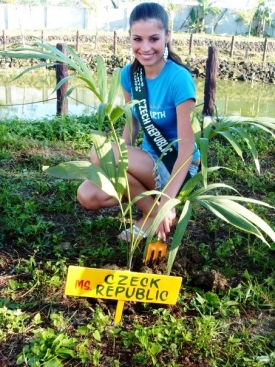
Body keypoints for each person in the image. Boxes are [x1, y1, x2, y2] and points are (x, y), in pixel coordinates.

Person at [77, 2, 200, 242]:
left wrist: (168, 200)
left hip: (176, 166)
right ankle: (154, 213)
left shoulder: (179, 79)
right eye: (137, 39)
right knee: (87, 193)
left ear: (167, 36)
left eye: (153, 39)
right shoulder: (129, 75)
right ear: (130, 39)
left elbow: (186, 149)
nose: (145, 48)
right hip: (147, 162)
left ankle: (156, 212)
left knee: (99, 151)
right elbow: (132, 125)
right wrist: (118, 166)